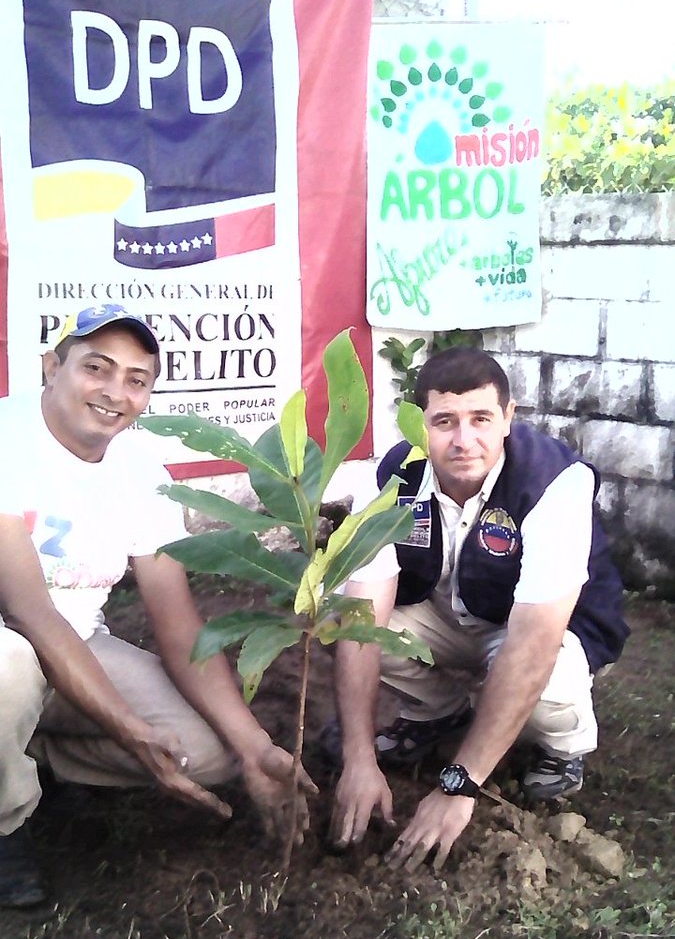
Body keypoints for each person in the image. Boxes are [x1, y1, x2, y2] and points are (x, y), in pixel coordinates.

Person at [0, 303, 317, 907]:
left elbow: (178, 629)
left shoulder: (141, 471)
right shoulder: (5, 440)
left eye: (136, 379)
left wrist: (255, 747)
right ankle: (3, 824)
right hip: (9, 643)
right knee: (8, 666)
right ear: (50, 366)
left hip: (76, 647)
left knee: (209, 750)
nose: (115, 391)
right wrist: (128, 730)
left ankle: (22, 755)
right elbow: (27, 612)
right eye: (96, 367)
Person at [328, 348, 628, 872]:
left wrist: (459, 784)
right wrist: (359, 759)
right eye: (444, 421)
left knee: (548, 681)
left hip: (537, 630)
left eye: (481, 419)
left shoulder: (555, 480)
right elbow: (363, 618)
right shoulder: (395, 477)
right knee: (339, 614)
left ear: (508, 418)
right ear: (420, 424)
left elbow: (534, 641)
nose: (464, 440)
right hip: (449, 616)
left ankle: (564, 746)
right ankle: (439, 712)